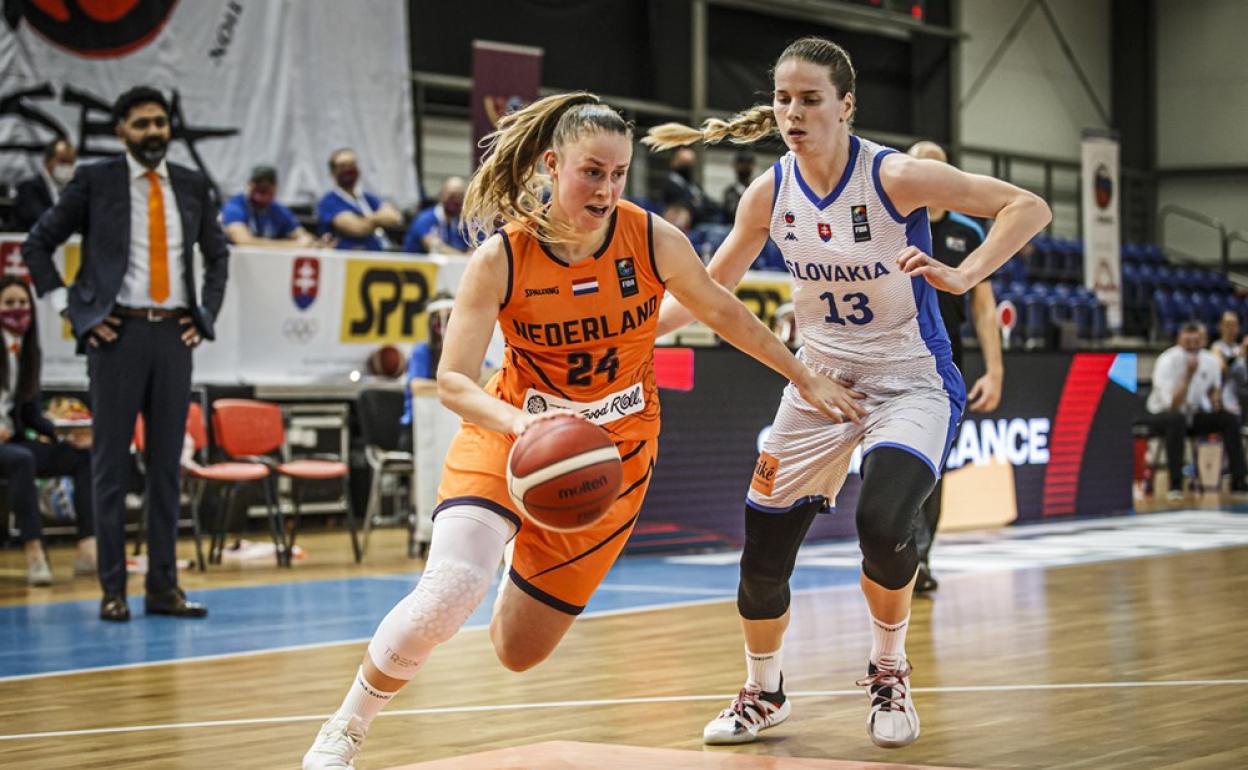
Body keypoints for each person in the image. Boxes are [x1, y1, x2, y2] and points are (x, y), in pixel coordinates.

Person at [302, 91, 856, 769]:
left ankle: (514, 551)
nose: (606, 188)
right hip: (511, 430)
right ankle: (344, 729)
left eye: (618, 174)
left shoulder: (650, 238)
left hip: (614, 456)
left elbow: (724, 313)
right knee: (448, 593)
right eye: (592, 171)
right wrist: (524, 425)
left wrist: (805, 376)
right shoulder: (502, 257)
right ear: (552, 163)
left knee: (516, 653)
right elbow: (454, 381)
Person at [644, 36, 1050, 749]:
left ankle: (889, 670)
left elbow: (1027, 205)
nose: (792, 113)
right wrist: (634, 334)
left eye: (809, 99)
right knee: (762, 559)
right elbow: (708, 292)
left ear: (846, 105)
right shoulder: (768, 191)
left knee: (884, 523)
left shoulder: (895, 176)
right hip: (818, 382)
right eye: (782, 99)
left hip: (910, 381)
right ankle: (763, 693)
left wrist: (965, 272)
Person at [21, 86, 229, 622]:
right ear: (121, 131)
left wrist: (203, 317)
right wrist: (75, 311)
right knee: (110, 466)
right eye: (141, 124)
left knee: (165, 468)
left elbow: (217, 256)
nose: (154, 132)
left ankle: (163, 587)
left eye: (160, 122)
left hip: (174, 337)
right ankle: (113, 588)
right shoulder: (96, 181)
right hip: (117, 337)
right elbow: (36, 244)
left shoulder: (190, 183)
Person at [906, 140, 1005, 594]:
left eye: (937, 170)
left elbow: (984, 308)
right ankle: (900, 556)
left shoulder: (968, 233)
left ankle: (918, 559)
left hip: (947, 364)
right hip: (896, 357)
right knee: (895, 464)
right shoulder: (891, 224)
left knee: (933, 466)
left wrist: (995, 369)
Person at [0, 277, 95, 585]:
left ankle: (87, 547)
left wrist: (66, 435)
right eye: (9, 304)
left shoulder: (28, 351)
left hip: (11, 442)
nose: (17, 310)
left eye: (23, 303)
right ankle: (34, 551)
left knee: (82, 456)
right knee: (21, 460)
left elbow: (30, 415)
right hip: (9, 451)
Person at [1142, 321, 1247, 499]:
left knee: (1228, 419)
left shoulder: (1209, 360)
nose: (1193, 345)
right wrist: (1188, 376)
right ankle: (1175, 485)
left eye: (1197, 340)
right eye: (1188, 340)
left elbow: (1214, 390)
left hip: (1193, 414)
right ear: (1179, 339)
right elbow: (1172, 405)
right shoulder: (1166, 360)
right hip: (1161, 416)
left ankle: (1238, 480)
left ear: (1203, 340)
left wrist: (1215, 401)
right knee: (1176, 419)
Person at [397, 293, 453, 452]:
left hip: (451, 424)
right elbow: (417, 386)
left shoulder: (466, 350)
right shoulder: (421, 351)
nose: (444, 326)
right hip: (419, 428)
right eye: (439, 320)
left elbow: (485, 377)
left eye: (449, 318)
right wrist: (456, 387)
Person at [316, 148, 403, 250]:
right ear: (333, 172)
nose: (348, 169)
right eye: (343, 166)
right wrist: (378, 219)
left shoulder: (367, 197)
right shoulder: (329, 202)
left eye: (352, 164)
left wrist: (365, 220)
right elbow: (357, 228)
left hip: (383, 253)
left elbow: (394, 217)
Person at [221, 165, 320, 248]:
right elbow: (242, 241)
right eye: (258, 183)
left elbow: (302, 236)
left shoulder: (279, 210)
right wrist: (292, 245)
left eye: (268, 185)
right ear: (249, 185)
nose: (263, 187)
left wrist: (317, 243)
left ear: (275, 188)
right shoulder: (235, 206)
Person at [15, 139, 77, 231]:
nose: (67, 167)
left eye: (71, 163)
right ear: (47, 160)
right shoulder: (28, 189)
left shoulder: (74, 190)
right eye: (63, 161)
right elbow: (41, 220)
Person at [402, 177, 471, 255]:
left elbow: (476, 249)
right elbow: (436, 248)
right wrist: (464, 258)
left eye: (459, 196)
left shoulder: (464, 223)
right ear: (441, 195)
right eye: (451, 196)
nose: (455, 200)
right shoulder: (424, 219)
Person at [661, 146, 714, 226]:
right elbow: (682, 204)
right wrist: (696, 204)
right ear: (674, 162)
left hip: (704, 220)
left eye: (690, 163)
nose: (688, 167)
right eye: (684, 163)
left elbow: (708, 203)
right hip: (686, 224)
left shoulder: (693, 185)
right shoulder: (670, 183)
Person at [1210, 310, 1248, 419]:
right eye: (1227, 325)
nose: (1231, 328)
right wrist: (1239, 353)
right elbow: (1222, 370)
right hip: (1225, 392)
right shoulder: (1216, 347)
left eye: (1234, 325)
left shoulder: (1239, 347)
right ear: (1220, 327)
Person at [722, 148, 756, 217]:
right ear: (735, 166)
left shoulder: (757, 189)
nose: (745, 166)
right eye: (742, 162)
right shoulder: (730, 192)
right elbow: (732, 212)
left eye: (748, 163)